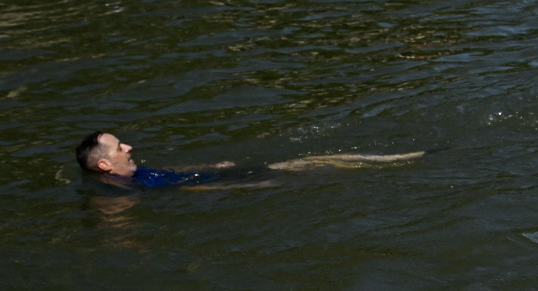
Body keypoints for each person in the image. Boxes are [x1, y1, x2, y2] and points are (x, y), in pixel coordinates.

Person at [74, 132, 423, 189]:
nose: (129, 147)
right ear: (105, 165)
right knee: (312, 164)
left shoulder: (133, 176)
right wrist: (245, 187)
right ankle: (399, 160)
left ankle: (396, 159)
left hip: (222, 179)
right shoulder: (118, 196)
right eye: (120, 147)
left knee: (314, 161)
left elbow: (170, 176)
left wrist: (213, 168)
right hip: (229, 186)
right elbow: (183, 193)